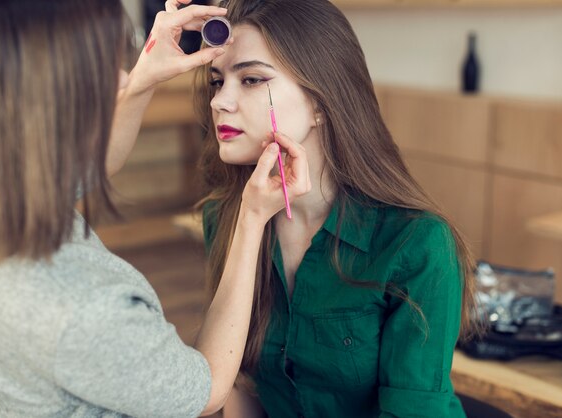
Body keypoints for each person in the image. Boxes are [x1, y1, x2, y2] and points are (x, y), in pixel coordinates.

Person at [0, 1, 309, 417]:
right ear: (52, 99)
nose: (123, 77)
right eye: (103, 65)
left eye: (251, 79)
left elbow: (88, 167)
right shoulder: (84, 310)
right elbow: (208, 388)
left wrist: (145, 78)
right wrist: (251, 219)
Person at [195, 0, 479, 416]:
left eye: (251, 79)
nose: (221, 101)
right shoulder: (225, 218)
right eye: (217, 82)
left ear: (321, 103)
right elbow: (238, 384)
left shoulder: (416, 244)